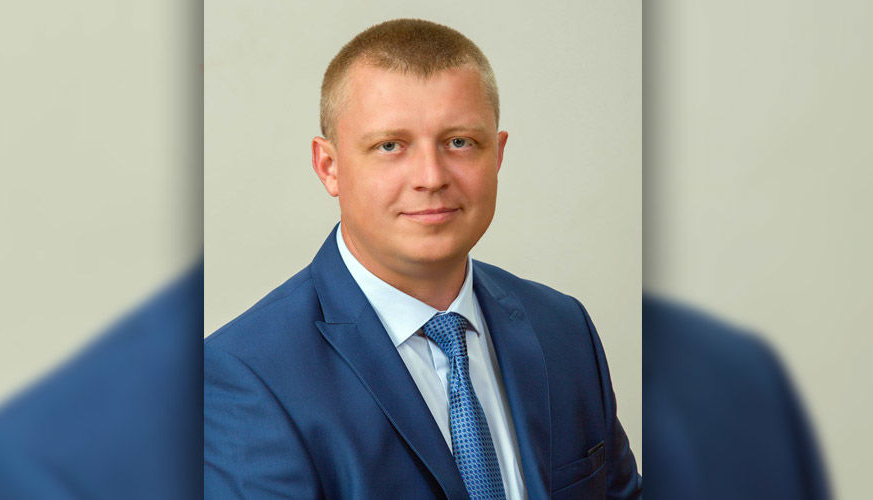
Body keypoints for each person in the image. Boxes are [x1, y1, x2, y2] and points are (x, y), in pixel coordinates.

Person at [204, 18, 641, 499]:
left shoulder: (564, 329)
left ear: (496, 156)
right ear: (329, 167)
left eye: (460, 142)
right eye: (390, 146)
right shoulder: (247, 376)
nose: (431, 177)